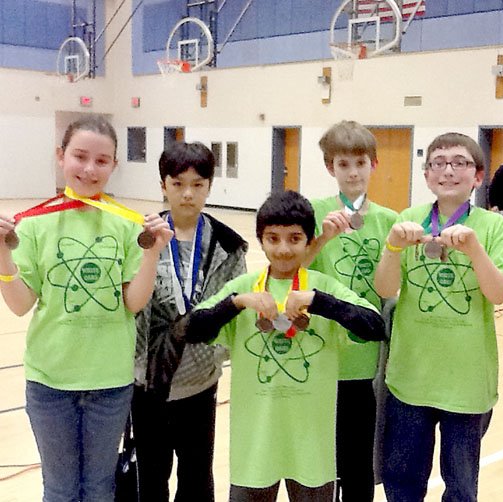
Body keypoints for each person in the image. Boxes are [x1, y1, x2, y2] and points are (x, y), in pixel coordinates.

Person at [0, 115, 173, 501]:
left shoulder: (127, 224)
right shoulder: (33, 225)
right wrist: (1, 254)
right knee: (60, 490)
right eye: (80, 156)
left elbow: (133, 302)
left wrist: (152, 255)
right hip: (50, 383)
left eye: (102, 160)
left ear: (114, 165)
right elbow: (20, 304)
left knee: (99, 489)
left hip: (109, 383)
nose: (89, 169)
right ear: (61, 156)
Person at [180, 190, 385, 502]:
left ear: (308, 240)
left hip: (312, 451)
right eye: (273, 239)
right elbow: (188, 329)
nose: (284, 249)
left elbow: (374, 327)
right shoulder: (243, 290)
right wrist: (235, 304)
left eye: (294, 238)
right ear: (261, 240)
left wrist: (320, 302)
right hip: (255, 450)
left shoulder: (322, 286)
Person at [374, 132, 503, 502]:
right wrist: (391, 248)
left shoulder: (492, 227)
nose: (448, 170)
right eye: (438, 162)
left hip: (467, 383)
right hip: (410, 378)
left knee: (461, 486)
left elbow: (500, 294)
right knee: (402, 482)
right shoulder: (408, 219)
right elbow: (386, 289)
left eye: (459, 162)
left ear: (478, 176)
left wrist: (474, 250)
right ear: (426, 175)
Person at [132, 142, 248, 501]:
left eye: (198, 184)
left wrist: (215, 358)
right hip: (147, 382)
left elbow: (234, 307)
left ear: (209, 186)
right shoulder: (139, 238)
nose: (188, 193)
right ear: (163, 185)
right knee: (151, 475)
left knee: (197, 477)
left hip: (200, 383)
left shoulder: (229, 245)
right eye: (178, 183)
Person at [305, 120, 397, 501]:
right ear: (330, 168)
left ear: (373, 164)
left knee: (360, 464)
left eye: (360, 162)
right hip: (322, 359)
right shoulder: (313, 212)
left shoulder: (390, 221)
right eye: (344, 164)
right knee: (322, 463)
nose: (353, 172)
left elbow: (391, 290)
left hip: (367, 364)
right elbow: (293, 269)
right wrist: (322, 237)